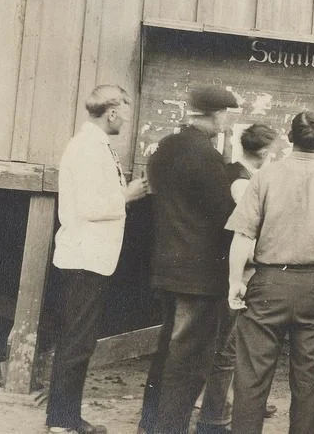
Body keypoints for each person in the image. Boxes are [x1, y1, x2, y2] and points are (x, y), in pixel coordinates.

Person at [225, 110, 314, 434]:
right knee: (309, 385)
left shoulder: (264, 177)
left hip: (268, 284)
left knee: (250, 379)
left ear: (290, 138)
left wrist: (235, 280)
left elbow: (243, 235)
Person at [47, 85, 148, 434]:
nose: (126, 120)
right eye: (125, 113)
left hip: (89, 256)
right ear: (112, 112)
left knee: (77, 340)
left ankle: (63, 418)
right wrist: (127, 195)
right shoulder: (89, 148)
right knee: (76, 342)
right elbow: (90, 206)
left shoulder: (94, 145)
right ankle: (62, 422)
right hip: (84, 258)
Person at [137, 86, 238, 434]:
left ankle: (150, 424)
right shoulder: (206, 156)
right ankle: (170, 429)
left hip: (168, 267)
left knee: (167, 352)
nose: (226, 122)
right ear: (215, 114)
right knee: (190, 361)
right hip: (200, 276)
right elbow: (225, 215)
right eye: (226, 114)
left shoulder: (164, 148)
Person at [196, 124, 277, 434]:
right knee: (228, 348)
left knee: (228, 345)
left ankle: (227, 407)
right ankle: (214, 419)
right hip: (238, 271)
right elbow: (247, 233)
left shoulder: (233, 173)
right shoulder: (242, 183)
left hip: (227, 267)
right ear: (264, 152)